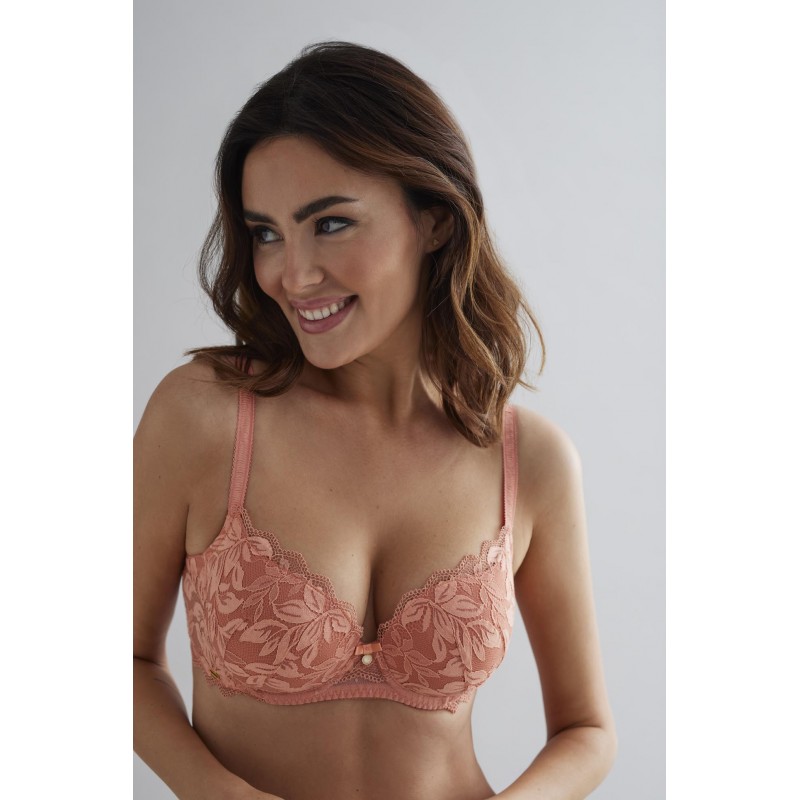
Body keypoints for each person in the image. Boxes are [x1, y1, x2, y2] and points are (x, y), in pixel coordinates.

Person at [133, 40, 616, 800]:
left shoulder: (528, 460)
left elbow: (587, 731)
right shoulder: (202, 419)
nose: (293, 275)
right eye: (266, 233)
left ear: (434, 220)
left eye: (329, 224)